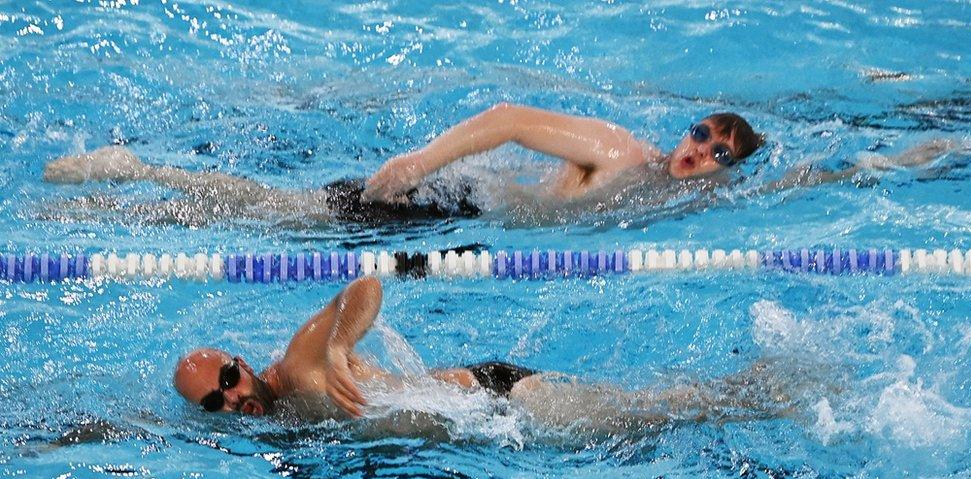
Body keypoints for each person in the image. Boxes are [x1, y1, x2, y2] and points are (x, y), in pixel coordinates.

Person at [173, 277, 804, 434]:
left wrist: (339, 345)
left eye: (229, 377)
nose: (233, 395)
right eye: (217, 401)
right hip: (487, 425)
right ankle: (758, 390)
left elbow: (363, 287)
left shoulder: (303, 362)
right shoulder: (268, 422)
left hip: (500, 399)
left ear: (242, 360)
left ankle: (776, 390)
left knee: (658, 413)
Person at [41, 105, 764, 226]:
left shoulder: (675, 199)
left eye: (716, 154)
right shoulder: (620, 151)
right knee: (278, 217)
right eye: (700, 133)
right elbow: (508, 117)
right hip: (445, 201)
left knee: (278, 214)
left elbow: (801, 182)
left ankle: (132, 191)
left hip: (457, 216)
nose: (697, 151)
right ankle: (133, 181)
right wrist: (418, 163)